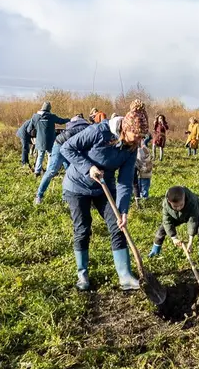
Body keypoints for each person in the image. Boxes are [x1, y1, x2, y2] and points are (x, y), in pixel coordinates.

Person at [59, 102, 149, 291]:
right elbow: (66, 148)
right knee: (83, 229)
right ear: (126, 128)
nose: (139, 141)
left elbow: (124, 182)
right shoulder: (99, 132)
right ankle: (82, 275)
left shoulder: (131, 149)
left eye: (142, 137)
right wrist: (88, 168)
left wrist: (123, 211)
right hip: (77, 185)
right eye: (137, 136)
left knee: (118, 227)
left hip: (104, 187)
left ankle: (125, 276)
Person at [148, 186, 199, 271]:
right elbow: (167, 221)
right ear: (169, 201)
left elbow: (192, 222)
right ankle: (155, 252)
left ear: (184, 199)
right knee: (161, 230)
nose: (178, 208)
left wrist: (190, 241)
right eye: (175, 206)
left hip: (194, 216)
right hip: (175, 217)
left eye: (181, 205)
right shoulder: (166, 205)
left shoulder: (192, 202)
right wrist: (174, 238)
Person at [35, 114, 89, 204]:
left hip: (72, 147)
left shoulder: (87, 128)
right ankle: (39, 196)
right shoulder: (88, 130)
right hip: (60, 144)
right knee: (52, 171)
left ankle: (66, 197)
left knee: (70, 173)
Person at [26, 102, 70, 176]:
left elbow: (29, 129)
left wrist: (33, 135)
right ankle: (48, 172)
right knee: (50, 155)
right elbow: (61, 121)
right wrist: (70, 119)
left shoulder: (35, 117)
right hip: (50, 140)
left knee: (40, 155)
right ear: (49, 109)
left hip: (40, 140)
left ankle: (37, 172)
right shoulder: (52, 117)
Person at [136, 135, 154, 202]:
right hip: (139, 174)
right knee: (139, 188)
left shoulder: (144, 149)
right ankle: (141, 200)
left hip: (145, 173)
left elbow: (147, 160)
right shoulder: (135, 149)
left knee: (144, 188)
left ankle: (145, 201)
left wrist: (141, 167)